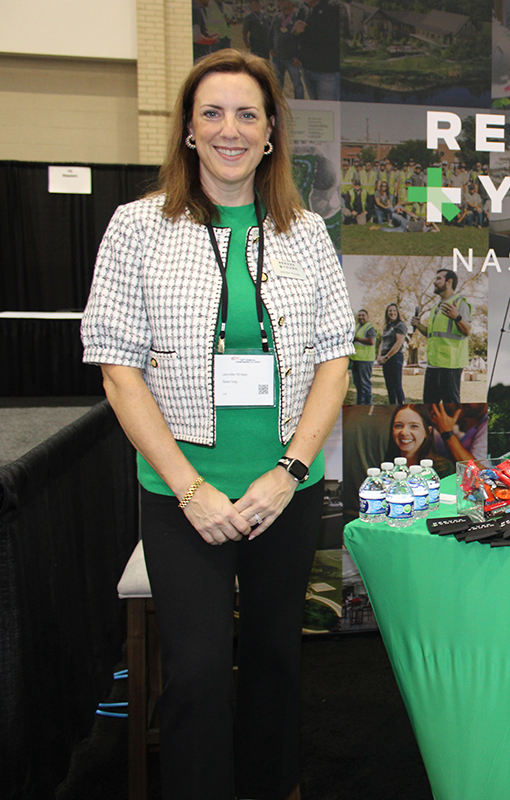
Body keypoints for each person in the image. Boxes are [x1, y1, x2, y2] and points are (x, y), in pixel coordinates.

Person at [80, 49, 353, 800]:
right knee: (197, 672)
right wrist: (190, 489)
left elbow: (335, 361)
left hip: (283, 491)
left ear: (270, 133)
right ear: (189, 130)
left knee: (275, 660)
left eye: (246, 114)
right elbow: (117, 368)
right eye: (212, 113)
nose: (229, 129)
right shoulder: (137, 228)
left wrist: (289, 472)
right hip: (182, 495)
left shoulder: (307, 232)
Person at [410, 269, 472, 404]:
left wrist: (457, 317)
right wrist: (418, 325)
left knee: (451, 405)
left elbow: (467, 330)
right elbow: (431, 334)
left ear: (449, 282)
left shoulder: (460, 303)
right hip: (433, 363)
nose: (434, 282)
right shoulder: (436, 307)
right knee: (429, 404)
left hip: (450, 364)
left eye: (438, 279)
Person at [384, 404, 452, 474]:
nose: (404, 432)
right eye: (398, 425)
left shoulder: (442, 469)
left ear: (428, 431)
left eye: (414, 426)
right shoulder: (387, 467)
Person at [294, 0, 340, 100]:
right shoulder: (303, 9)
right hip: (307, 69)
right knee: (315, 107)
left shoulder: (333, 7)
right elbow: (296, 36)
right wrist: (296, 31)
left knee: (327, 108)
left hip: (327, 72)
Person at [270, 0, 306, 98]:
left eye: (283, 1)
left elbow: (303, 39)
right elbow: (272, 33)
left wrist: (298, 57)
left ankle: (299, 105)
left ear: (291, 2)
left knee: (297, 84)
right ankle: (277, 104)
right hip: (277, 57)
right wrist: (271, 48)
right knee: (277, 85)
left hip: (292, 58)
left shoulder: (298, 17)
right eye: (279, 2)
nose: (280, 3)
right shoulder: (277, 17)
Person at [376, 303, 407, 404]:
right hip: (385, 358)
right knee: (389, 386)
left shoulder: (400, 325)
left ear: (397, 312)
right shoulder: (387, 326)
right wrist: (379, 356)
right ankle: (392, 406)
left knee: (397, 386)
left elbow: (398, 343)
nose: (392, 313)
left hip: (395, 357)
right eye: (390, 311)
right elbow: (382, 342)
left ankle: (401, 406)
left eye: (394, 310)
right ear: (387, 313)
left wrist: (386, 357)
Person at [350, 308, 377, 404]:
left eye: (363, 315)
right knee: (358, 385)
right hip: (356, 359)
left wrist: (356, 339)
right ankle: (360, 404)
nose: (361, 317)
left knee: (365, 385)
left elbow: (371, 341)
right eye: (359, 315)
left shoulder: (369, 328)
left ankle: (367, 404)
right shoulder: (357, 326)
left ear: (367, 317)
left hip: (365, 360)